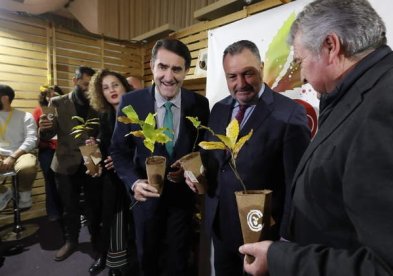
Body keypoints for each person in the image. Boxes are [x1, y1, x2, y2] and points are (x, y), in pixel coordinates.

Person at [239, 0, 393, 275]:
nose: (302, 76)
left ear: (331, 47)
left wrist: (282, 259)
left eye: (300, 61)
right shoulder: (358, 94)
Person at [185, 40, 310, 275]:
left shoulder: (290, 114)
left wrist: (283, 242)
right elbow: (212, 160)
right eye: (232, 76)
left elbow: (297, 184)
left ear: (261, 67)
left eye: (248, 74)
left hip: (262, 235)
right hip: (221, 228)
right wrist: (196, 174)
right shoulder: (219, 109)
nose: (240, 84)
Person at [111, 38, 210, 276]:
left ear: (186, 70)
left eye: (176, 69)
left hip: (182, 201)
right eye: (163, 67)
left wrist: (196, 168)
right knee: (148, 259)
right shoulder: (131, 102)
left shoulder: (200, 104)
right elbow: (118, 151)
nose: (169, 76)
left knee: (179, 260)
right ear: (152, 66)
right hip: (146, 202)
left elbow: (203, 148)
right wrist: (133, 182)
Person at [38, 66, 103, 266]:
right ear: (75, 81)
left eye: (91, 86)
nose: (88, 89)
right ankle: (71, 241)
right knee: (69, 207)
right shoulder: (57, 102)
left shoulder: (98, 101)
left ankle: (98, 242)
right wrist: (43, 129)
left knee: (95, 205)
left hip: (92, 157)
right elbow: (47, 136)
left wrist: (99, 142)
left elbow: (103, 130)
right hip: (65, 161)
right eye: (85, 85)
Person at [88, 69, 133, 276]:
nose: (111, 90)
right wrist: (94, 146)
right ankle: (109, 259)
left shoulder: (136, 112)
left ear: (125, 86)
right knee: (109, 219)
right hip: (109, 179)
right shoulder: (104, 115)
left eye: (115, 84)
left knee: (128, 223)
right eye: (105, 88)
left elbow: (146, 147)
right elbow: (103, 148)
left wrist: (122, 161)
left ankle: (124, 262)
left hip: (133, 176)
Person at [0, 84, 38, 211]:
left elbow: (32, 139)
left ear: (5, 98)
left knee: (28, 167)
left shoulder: (25, 116)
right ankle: (4, 191)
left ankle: (24, 196)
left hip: (20, 154)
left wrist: (12, 156)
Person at [32, 85, 64, 221]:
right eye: (48, 94)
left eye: (55, 94)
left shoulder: (66, 109)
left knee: (66, 182)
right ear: (44, 97)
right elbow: (34, 137)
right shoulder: (38, 111)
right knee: (50, 182)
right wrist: (41, 131)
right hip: (47, 151)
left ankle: (68, 210)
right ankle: (53, 213)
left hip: (65, 151)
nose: (52, 97)